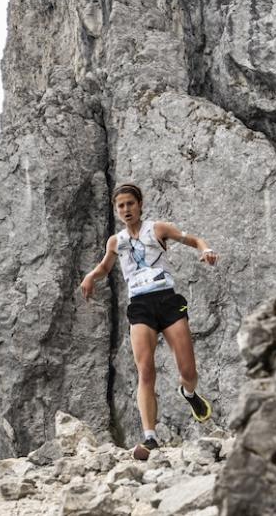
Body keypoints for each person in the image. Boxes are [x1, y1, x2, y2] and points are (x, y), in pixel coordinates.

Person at [80, 182, 218, 460]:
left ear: (140, 205)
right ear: (116, 210)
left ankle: (189, 392)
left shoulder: (158, 229)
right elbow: (106, 266)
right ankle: (150, 436)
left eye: (130, 203)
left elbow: (193, 240)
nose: (126, 209)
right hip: (140, 305)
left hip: (167, 300)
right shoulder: (115, 241)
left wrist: (205, 250)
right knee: (146, 371)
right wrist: (90, 277)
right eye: (121, 205)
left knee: (188, 370)